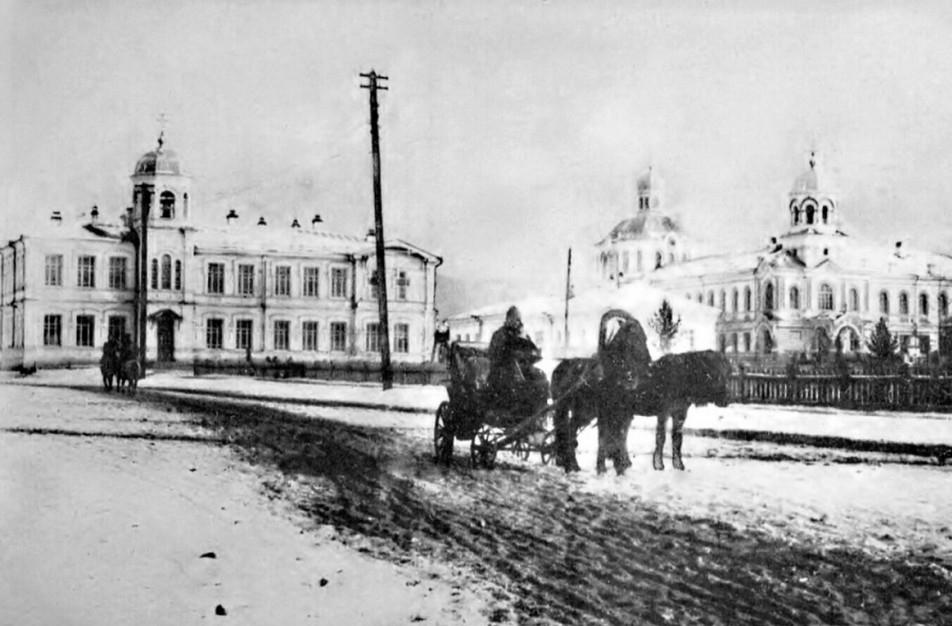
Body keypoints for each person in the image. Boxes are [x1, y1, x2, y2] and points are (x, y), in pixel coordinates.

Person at [487, 306, 549, 416]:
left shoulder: (522, 334)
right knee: (519, 381)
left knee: (541, 376)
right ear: (508, 319)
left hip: (521, 367)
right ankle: (519, 411)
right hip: (502, 370)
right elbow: (494, 354)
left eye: (519, 319)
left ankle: (540, 408)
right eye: (516, 319)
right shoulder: (499, 334)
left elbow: (531, 348)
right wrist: (512, 354)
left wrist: (535, 353)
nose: (518, 322)